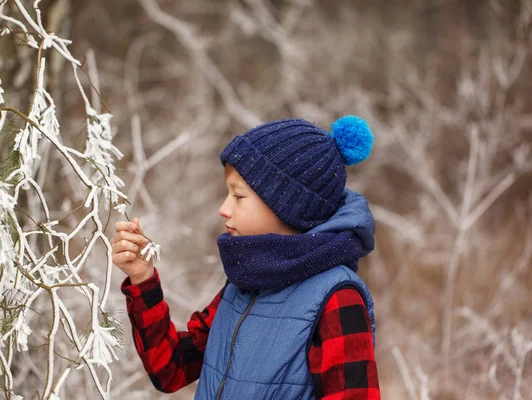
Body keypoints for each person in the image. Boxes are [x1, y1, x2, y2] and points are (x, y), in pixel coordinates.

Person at [111, 116, 380, 399]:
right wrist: (142, 278)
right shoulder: (246, 284)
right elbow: (170, 369)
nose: (223, 208)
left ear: (287, 206)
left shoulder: (337, 297)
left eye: (238, 196)